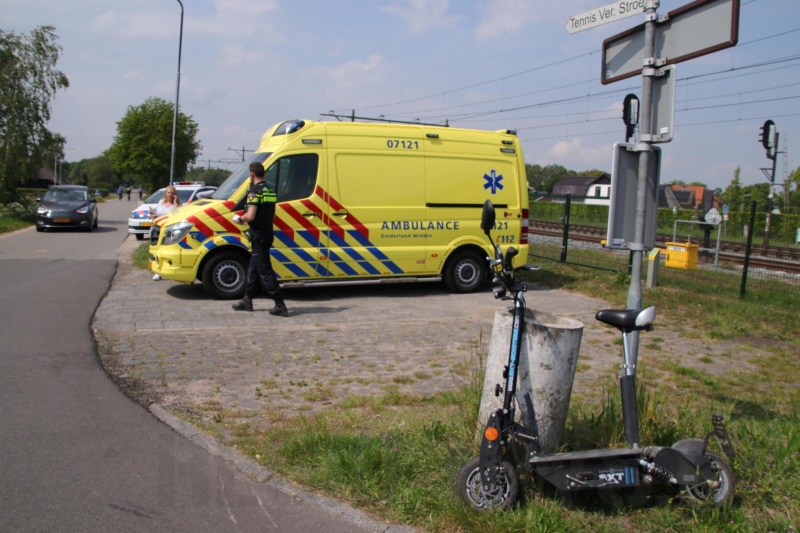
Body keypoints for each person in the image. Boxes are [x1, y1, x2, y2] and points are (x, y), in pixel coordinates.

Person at [231, 162, 288, 316]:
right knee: (253, 268)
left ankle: (279, 304)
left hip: (258, 236)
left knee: (265, 270)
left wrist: (239, 219)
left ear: (251, 174)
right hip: (267, 233)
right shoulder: (270, 191)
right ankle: (247, 300)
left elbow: (250, 216)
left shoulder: (254, 192)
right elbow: (272, 214)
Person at [150, 186, 182, 281]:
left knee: (167, 252)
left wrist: (175, 202)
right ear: (165, 193)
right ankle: (157, 272)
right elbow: (156, 214)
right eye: (168, 193)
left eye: (172, 193)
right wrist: (153, 216)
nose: (170, 195)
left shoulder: (178, 204)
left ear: (175, 195)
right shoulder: (161, 202)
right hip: (158, 228)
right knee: (157, 250)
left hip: (169, 231)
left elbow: (178, 214)